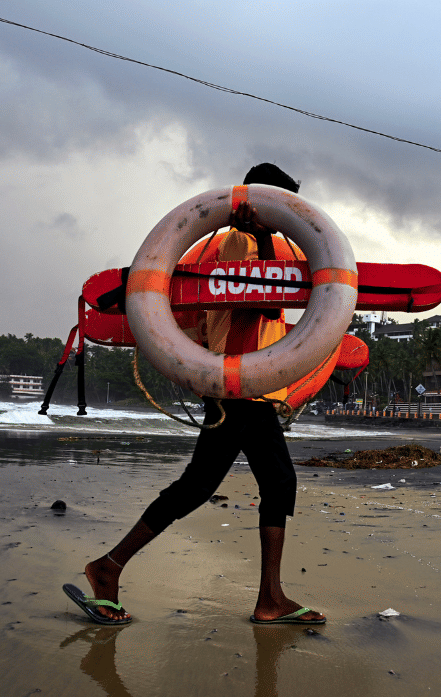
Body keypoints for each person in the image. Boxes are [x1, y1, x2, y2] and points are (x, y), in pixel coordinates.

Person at [63, 163, 326, 626]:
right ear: (260, 205)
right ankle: (112, 567)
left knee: (240, 484)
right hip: (239, 386)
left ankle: (266, 596)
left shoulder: (263, 245)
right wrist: (264, 238)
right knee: (222, 486)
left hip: (251, 389)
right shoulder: (240, 242)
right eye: (281, 210)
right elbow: (263, 300)